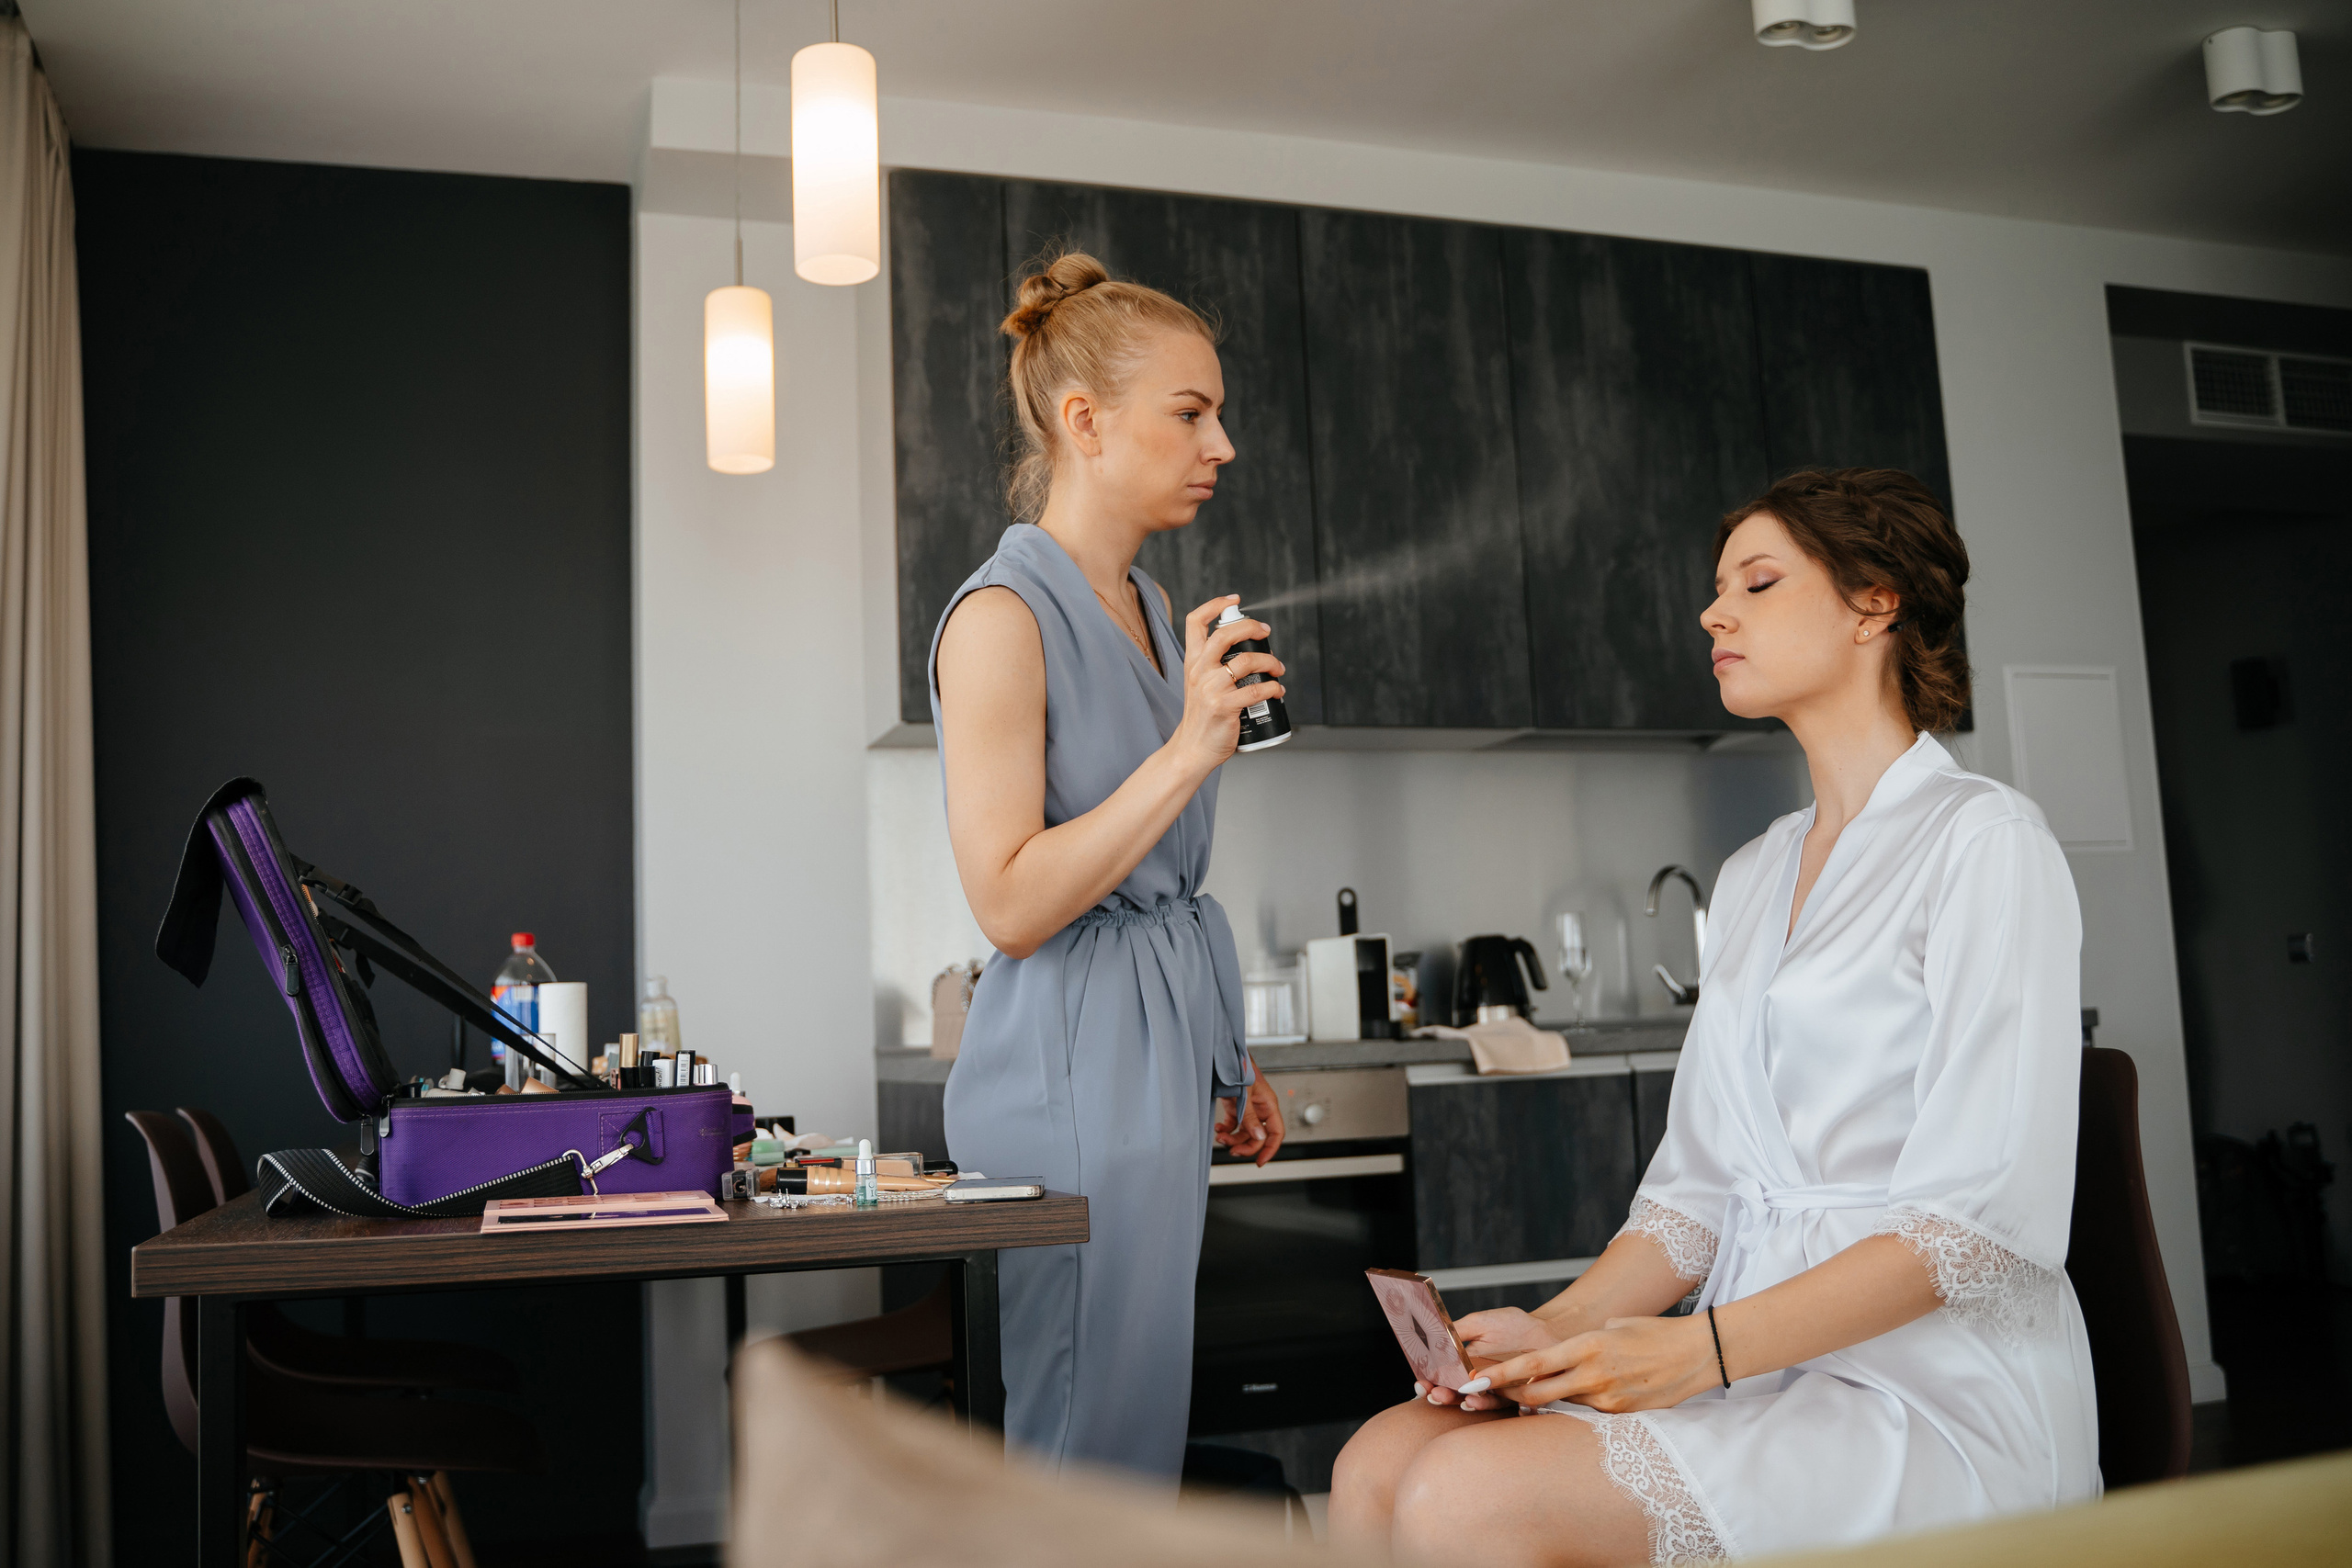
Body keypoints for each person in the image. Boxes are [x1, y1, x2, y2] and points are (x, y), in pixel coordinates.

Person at [1329, 468, 2099, 1564]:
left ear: (1873, 602)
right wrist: (1554, 1333)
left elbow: (1976, 1229)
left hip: (1926, 1391)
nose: (1712, 611)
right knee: (1377, 1461)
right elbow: (1690, 1202)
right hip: (1750, 1362)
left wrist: (1702, 1353)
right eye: (1717, 585)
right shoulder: (1751, 873)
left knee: (1462, 1498)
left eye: (1758, 580)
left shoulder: (1985, 843)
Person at [929, 252, 1289, 1481]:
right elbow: (1012, 899)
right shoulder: (1000, 618)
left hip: (1147, 1057)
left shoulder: (1144, 596)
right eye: (1191, 412)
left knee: (1130, 1426)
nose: (1223, 442)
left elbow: (1152, 881)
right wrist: (1191, 748)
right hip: (1067, 1068)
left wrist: (1223, 1053)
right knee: (1083, 1435)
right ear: (1083, 421)